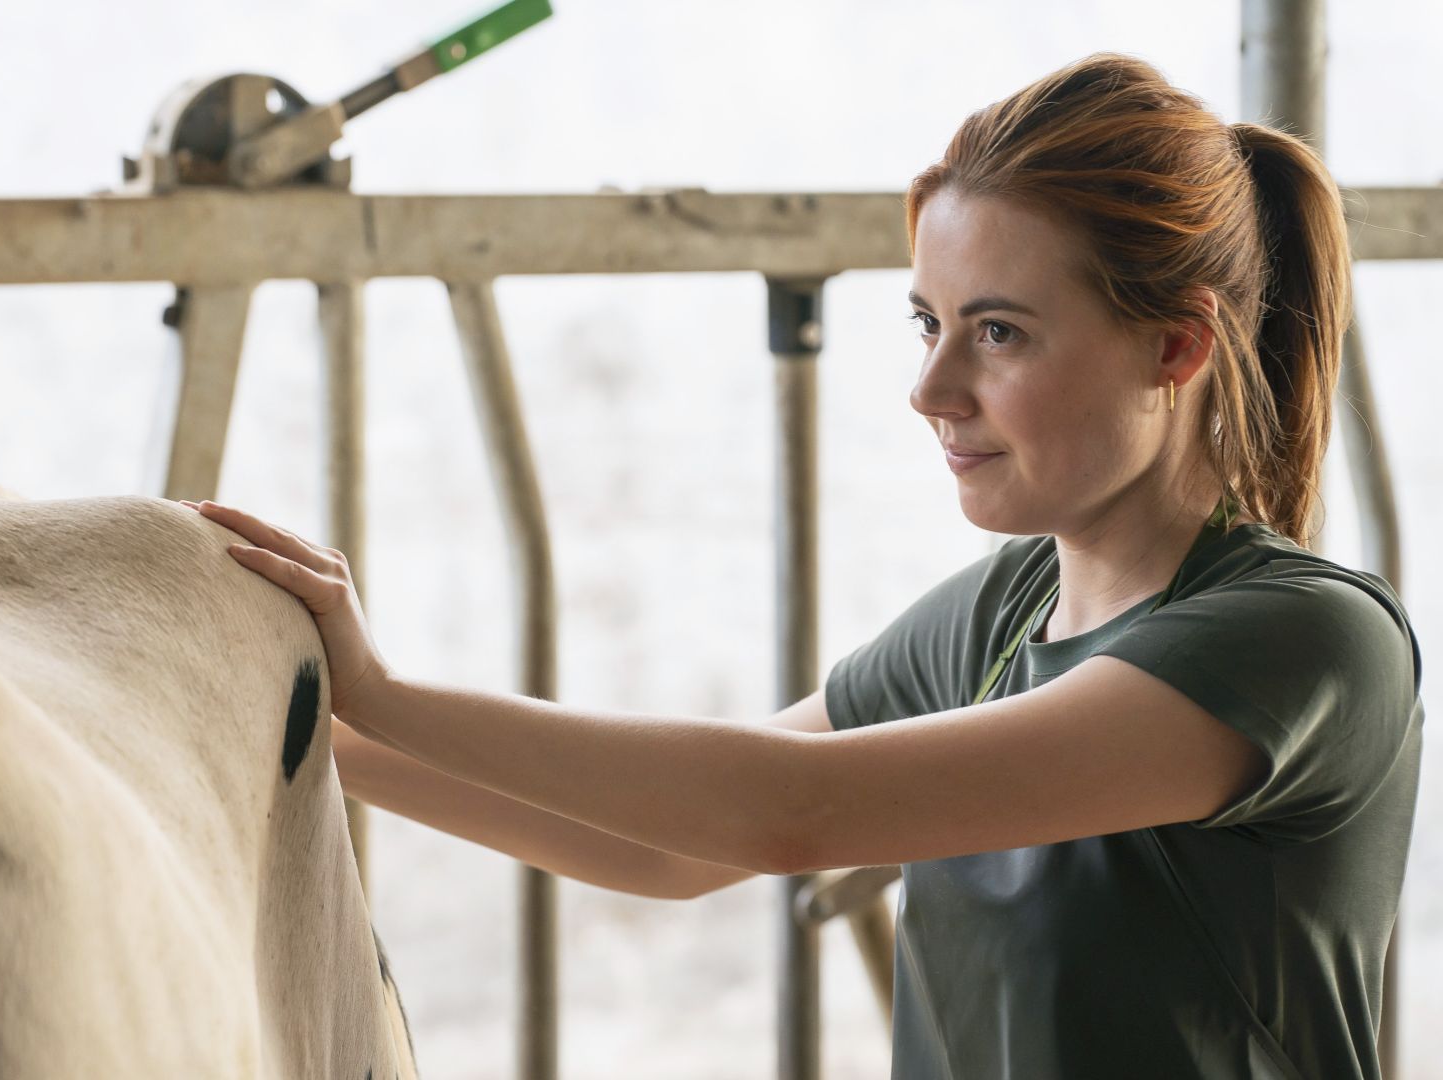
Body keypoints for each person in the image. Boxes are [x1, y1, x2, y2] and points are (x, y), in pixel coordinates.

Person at [187, 52, 1423, 1080]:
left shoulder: (1301, 643)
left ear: (1176, 347)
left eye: (999, 333)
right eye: (929, 324)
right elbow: (672, 850)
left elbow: (785, 810)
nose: (932, 389)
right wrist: (303, 729)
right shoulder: (1005, 615)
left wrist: (386, 691)